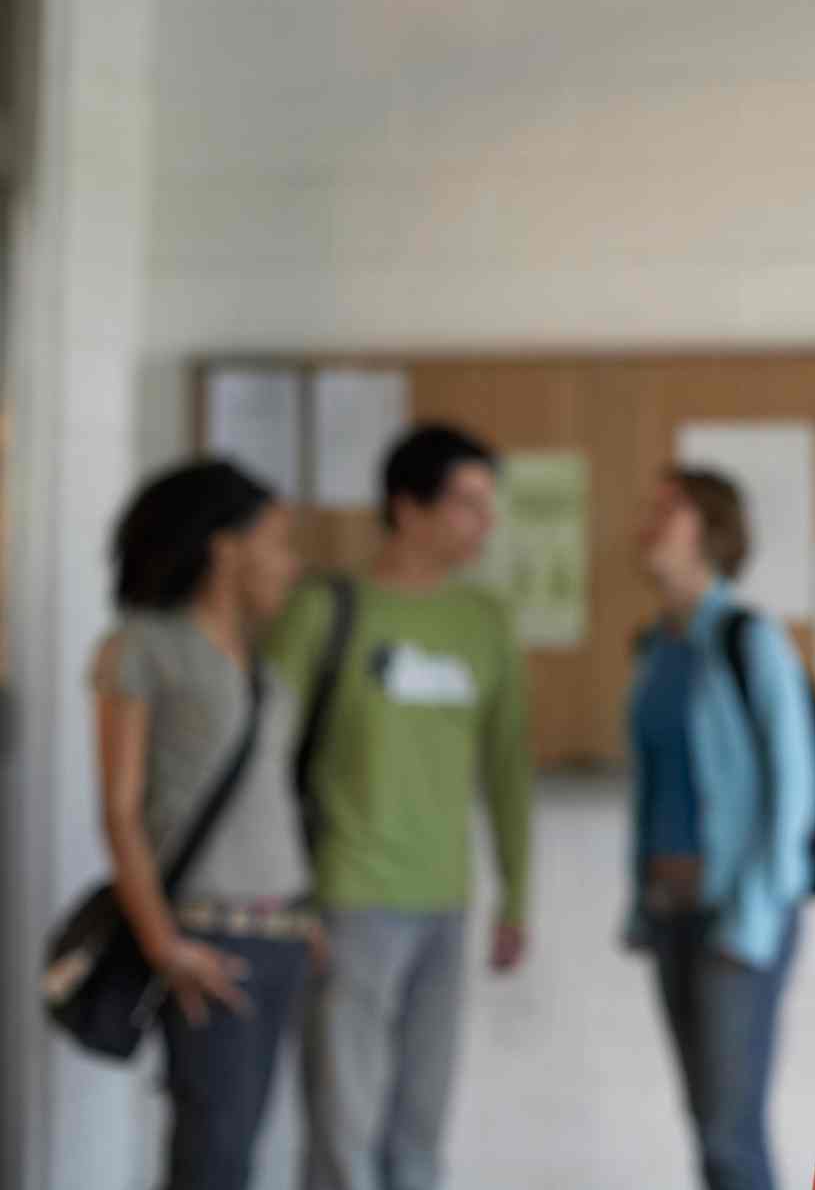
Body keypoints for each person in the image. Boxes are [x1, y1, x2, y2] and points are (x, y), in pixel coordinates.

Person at [268, 423, 535, 1190]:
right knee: (342, 1135)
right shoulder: (324, 610)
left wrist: (517, 894)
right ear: (407, 506)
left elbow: (508, 768)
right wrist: (292, 896)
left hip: (444, 903)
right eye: (467, 502)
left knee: (418, 1134)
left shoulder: (484, 620)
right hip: (346, 900)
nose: (485, 523)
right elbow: (265, 764)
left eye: (492, 505)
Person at [89, 459, 311, 1190]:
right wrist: (164, 944)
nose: (291, 562)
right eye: (277, 542)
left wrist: (300, 913)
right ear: (225, 548)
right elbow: (120, 812)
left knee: (245, 1150)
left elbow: (268, 802)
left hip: (278, 935)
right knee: (213, 1158)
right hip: (208, 940)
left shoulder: (259, 662)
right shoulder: (145, 646)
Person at [627, 468, 815, 1190]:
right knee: (707, 1128)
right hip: (672, 911)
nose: (648, 520)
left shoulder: (748, 638)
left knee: (730, 1135)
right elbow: (654, 786)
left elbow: (793, 788)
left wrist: (754, 910)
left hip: (740, 914)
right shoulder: (656, 648)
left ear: (708, 530)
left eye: (667, 508)